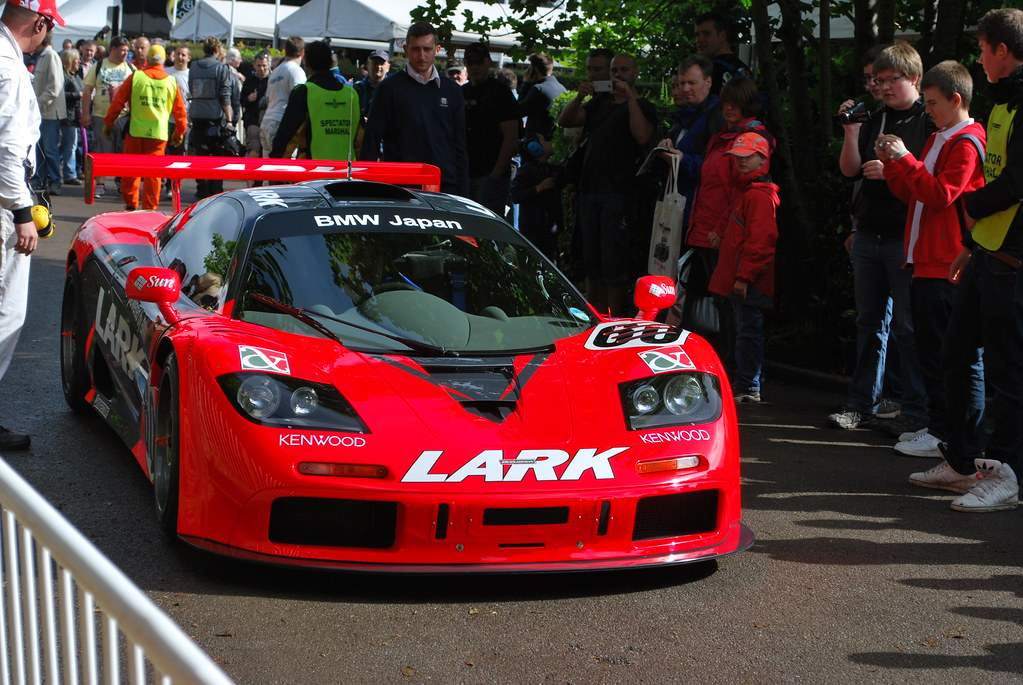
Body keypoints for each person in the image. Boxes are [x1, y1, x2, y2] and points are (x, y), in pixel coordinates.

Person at [910, 8, 1023, 513]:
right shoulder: (1003, 102)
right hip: (987, 251)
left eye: (982, 49)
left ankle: (1007, 472)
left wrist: (968, 208)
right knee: (957, 353)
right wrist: (973, 242)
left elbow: (1016, 182)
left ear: (1002, 50)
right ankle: (962, 462)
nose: (979, 58)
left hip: (1013, 257)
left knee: (1009, 371)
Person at [875, 61, 986, 460]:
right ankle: (941, 430)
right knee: (932, 352)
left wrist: (903, 160)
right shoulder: (942, 137)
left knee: (951, 357)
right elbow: (916, 193)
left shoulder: (967, 141)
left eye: (934, 103)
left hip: (947, 262)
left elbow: (942, 195)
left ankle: (951, 437)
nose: (928, 110)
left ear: (956, 99)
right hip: (924, 259)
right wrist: (893, 165)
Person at [828, 42, 933, 434]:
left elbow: (932, 179)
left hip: (905, 237)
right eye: (879, 80)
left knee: (909, 326)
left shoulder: (928, 119)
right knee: (870, 323)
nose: (884, 87)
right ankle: (862, 404)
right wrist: (852, 132)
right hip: (869, 235)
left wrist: (893, 168)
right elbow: (850, 171)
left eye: (893, 79)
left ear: (915, 79)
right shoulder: (876, 116)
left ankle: (917, 411)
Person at [0, 0, 65, 450]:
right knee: (7, 313)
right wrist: (22, 212)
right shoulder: (7, 66)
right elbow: (6, 147)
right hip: (4, 205)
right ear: (39, 23)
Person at [558, 51, 657, 315]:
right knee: (592, 257)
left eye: (624, 70)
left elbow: (641, 136)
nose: (618, 76)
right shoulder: (599, 104)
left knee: (614, 260)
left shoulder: (642, 105)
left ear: (635, 73)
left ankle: (614, 316)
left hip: (619, 191)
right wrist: (580, 96)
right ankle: (594, 313)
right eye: (614, 71)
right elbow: (565, 121)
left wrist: (631, 98)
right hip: (590, 189)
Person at [707, 132, 779, 403]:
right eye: (737, 157)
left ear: (763, 157)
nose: (740, 162)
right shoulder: (748, 191)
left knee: (747, 332)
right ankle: (746, 381)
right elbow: (733, 222)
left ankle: (749, 385)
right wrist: (719, 232)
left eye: (746, 157)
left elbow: (761, 242)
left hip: (748, 281)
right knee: (742, 330)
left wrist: (745, 277)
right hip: (740, 278)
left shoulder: (758, 195)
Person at [360, 22, 468, 195]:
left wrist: (463, 193)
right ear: (406, 49)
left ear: (437, 49)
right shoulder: (388, 89)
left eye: (427, 49)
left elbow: (459, 144)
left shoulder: (452, 90)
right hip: (401, 185)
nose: (421, 55)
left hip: (444, 186)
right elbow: (371, 140)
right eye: (416, 49)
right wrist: (365, 190)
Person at [103, 43, 187, 211]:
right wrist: (179, 134)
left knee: (131, 170)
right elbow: (180, 113)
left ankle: (131, 204)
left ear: (147, 59)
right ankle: (150, 208)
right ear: (164, 61)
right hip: (158, 134)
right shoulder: (171, 82)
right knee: (154, 174)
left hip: (135, 131)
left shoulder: (136, 77)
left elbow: (118, 102)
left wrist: (108, 124)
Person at [270, 41, 361, 162]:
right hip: (346, 172)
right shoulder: (351, 94)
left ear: (306, 61)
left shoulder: (304, 92)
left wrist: (276, 167)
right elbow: (360, 139)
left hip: (314, 172)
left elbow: (287, 136)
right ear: (330, 62)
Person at [462, 41, 518, 215]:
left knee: (487, 232)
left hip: (490, 175)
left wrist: (495, 175)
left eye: (479, 61)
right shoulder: (461, 92)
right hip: (466, 174)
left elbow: (511, 136)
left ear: (489, 62)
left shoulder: (500, 92)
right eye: (470, 63)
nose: (475, 66)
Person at [81, 35, 133, 198]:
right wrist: (85, 113)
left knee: (121, 151)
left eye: (127, 51)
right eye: (122, 50)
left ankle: (120, 183)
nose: (125, 54)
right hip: (100, 115)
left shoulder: (131, 69)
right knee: (102, 151)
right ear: (113, 49)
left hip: (123, 117)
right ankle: (100, 184)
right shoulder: (99, 67)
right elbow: (87, 90)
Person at [189, 36, 232, 199]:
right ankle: (216, 191)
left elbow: (191, 88)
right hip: (215, 116)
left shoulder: (193, 66)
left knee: (200, 155)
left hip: (197, 114)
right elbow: (225, 93)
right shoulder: (222, 67)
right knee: (217, 156)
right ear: (217, 50)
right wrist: (229, 119)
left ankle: (202, 189)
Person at [511, 133, 562, 261]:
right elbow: (516, 195)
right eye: (545, 141)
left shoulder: (550, 169)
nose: (549, 143)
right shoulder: (526, 171)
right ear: (535, 148)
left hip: (549, 227)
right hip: (532, 228)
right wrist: (537, 189)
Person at [259, 36, 304, 158]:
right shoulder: (296, 71)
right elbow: (299, 99)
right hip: (281, 124)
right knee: (286, 169)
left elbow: (268, 99)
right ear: (302, 53)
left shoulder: (276, 71)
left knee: (268, 169)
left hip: (267, 122)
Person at [31, 31, 63, 194]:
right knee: (41, 150)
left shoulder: (50, 56)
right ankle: (41, 180)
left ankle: (55, 181)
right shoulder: (44, 55)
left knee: (49, 149)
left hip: (49, 113)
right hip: (43, 112)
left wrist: (37, 104)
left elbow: (54, 88)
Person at [694, 11, 751, 96]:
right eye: (697, 35)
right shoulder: (742, 68)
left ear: (722, 36)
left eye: (706, 34)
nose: (699, 40)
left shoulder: (713, 71)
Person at [517, 52, 566, 140]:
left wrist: (525, 83)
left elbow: (517, 112)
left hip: (537, 144)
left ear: (533, 70)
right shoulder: (562, 88)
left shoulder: (538, 89)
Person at [58, 48, 83, 187]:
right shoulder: (65, 76)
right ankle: (69, 174)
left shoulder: (75, 75)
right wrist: (77, 95)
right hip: (68, 115)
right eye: (76, 58)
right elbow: (60, 94)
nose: (79, 61)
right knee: (71, 145)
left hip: (74, 115)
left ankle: (53, 169)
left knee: (65, 145)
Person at [241, 50, 269, 162]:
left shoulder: (272, 80)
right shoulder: (249, 80)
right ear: (254, 65)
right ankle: (252, 177)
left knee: (267, 151)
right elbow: (241, 100)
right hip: (253, 121)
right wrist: (248, 99)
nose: (261, 69)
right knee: (254, 149)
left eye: (264, 66)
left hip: (267, 121)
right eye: (259, 66)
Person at [353, 49, 389, 123]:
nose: (378, 66)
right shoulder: (357, 89)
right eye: (375, 63)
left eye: (382, 63)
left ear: (388, 67)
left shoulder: (394, 90)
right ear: (368, 65)